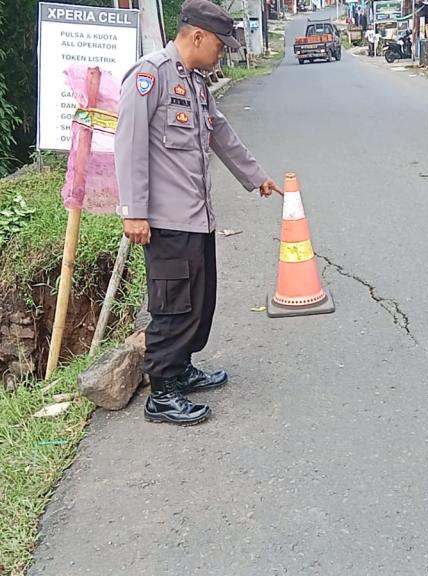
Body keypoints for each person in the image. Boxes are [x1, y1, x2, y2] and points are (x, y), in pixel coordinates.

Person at [115, 0, 282, 426]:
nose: (222, 53)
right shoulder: (150, 77)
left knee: (199, 303)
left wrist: (256, 176)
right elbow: (129, 146)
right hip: (165, 222)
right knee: (173, 305)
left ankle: (182, 368)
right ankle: (162, 393)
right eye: (220, 46)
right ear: (197, 36)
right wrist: (134, 212)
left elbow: (221, 133)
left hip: (197, 216)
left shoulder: (196, 83)